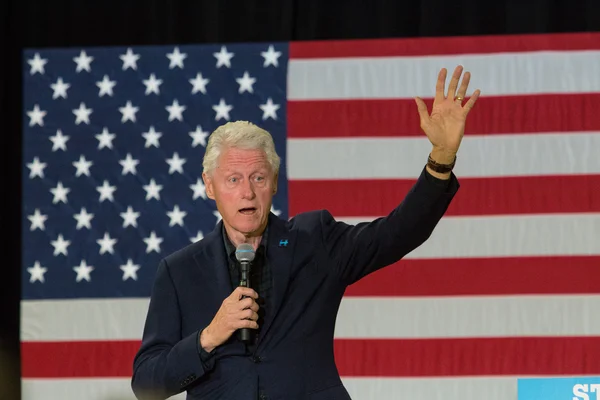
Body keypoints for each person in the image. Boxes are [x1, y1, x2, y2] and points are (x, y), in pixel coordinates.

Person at [131, 65, 480, 400]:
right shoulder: (180, 271)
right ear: (210, 186)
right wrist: (208, 337)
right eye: (233, 180)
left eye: (258, 178)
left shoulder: (315, 241)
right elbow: (147, 384)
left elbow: (397, 233)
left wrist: (441, 158)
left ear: (275, 183)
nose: (247, 192)